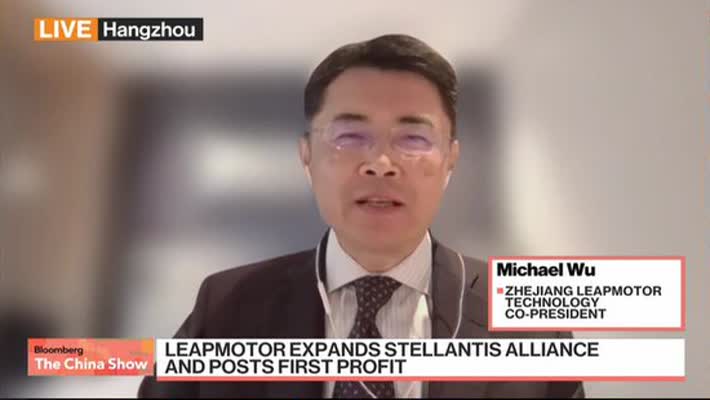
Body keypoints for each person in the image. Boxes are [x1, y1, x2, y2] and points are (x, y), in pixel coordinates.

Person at [138, 34, 584, 398]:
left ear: (451, 160)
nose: (381, 163)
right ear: (307, 156)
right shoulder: (227, 305)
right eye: (350, 136)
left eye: (413, 138)